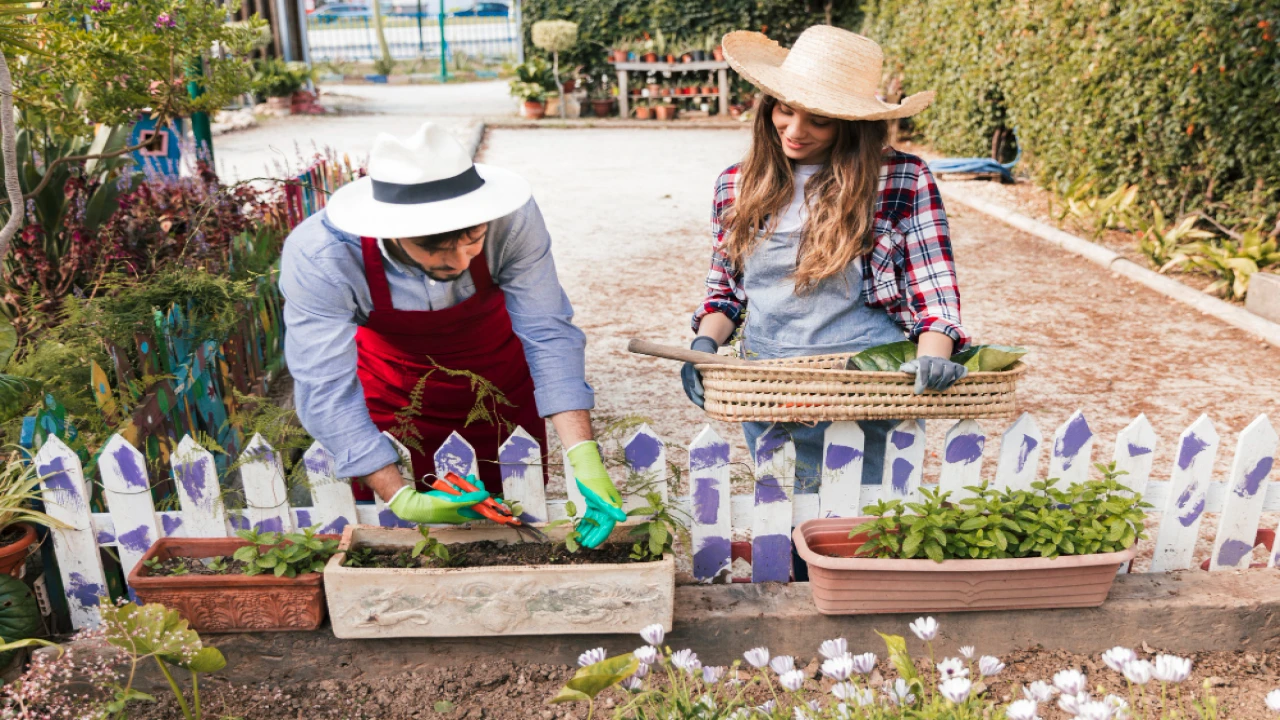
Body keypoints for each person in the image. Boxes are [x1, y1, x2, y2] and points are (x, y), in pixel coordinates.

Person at [279, 122, 624, 547]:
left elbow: (547, 331)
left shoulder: (511, 219)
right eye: (435, 247)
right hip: (393, 398)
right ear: (388, 228)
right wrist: (400, 496)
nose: (460, 260)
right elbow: (324, 386)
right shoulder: (321, 256)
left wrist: (583, 457)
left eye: (473, 240)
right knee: (407, 543)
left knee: (511, 522)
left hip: (498, 389)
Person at [682, 26, 972, 496]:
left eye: (818, 120)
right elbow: (725, 292)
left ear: (852, 124)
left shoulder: (900, 178)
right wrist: (702, 347)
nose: (794, 131)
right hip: (770, 384)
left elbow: (933, 286)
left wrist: (933, 358)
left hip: (867, 385)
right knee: (785, 519)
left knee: (871, 521)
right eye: (785, 109)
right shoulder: (736, 184)